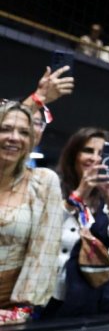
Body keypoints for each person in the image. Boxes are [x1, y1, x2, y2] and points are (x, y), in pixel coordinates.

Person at [48, 127, 109, 317]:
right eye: (88, 151)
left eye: (101, 153)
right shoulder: (51, 185)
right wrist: (79, 194)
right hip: (42, 294)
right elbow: (44, 230)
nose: (95, 158)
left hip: (87, 299)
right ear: (74, 155)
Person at [0, 102, 64, 313]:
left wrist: (21, 308)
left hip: (8, 306)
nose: (14, 137)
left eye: (24, 132)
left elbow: (46, 251)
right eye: (5, 129)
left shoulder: (43, 182)